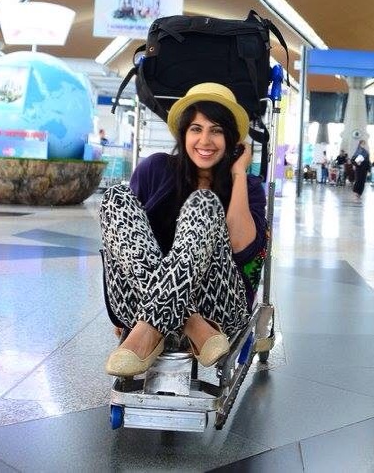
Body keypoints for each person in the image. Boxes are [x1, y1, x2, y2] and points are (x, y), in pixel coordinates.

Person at [99, 83, 266, 377]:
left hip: (218, 307)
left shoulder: (247, 186)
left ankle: (151, 327)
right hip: (152, 302)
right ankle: (189, 323)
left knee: (204, 203)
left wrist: (239, 173)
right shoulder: (155, 169)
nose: (205, 139)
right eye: (196, 129)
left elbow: (243, 249)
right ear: (183, 134)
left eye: (216, 130)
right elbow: (126, 239)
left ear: (231, 139)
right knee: (115, 198)